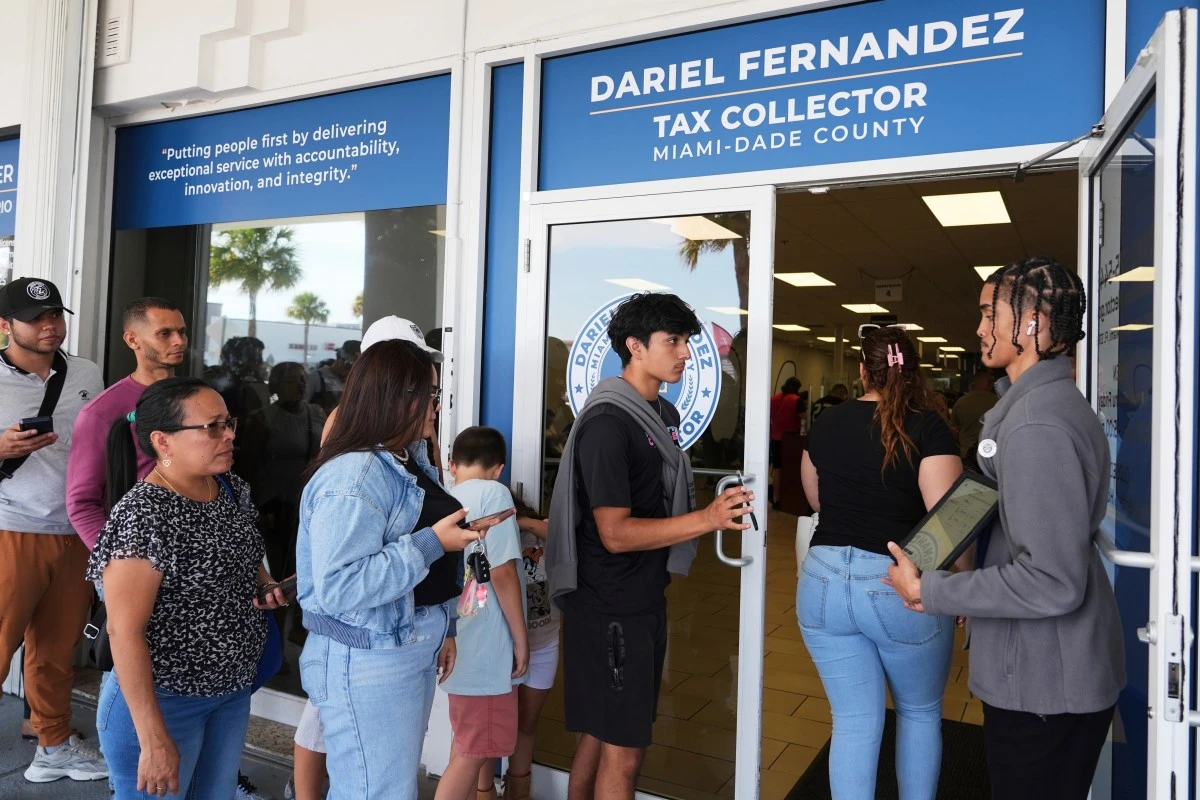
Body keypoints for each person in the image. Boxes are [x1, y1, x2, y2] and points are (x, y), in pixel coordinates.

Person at [886, 256, 1124, 800]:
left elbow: (1052, 580)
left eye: (989, 312)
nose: (979, 328)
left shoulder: (1037, 423)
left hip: (1046, 685)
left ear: (1034, 324)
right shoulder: (1033, 407)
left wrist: (932, 588)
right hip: (1046, 675)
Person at [545, 292, 753, 800]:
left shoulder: (657, 411)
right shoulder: (608, 423)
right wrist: (703, 519)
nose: (685, 353)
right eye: (673, 341)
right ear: (635, 347)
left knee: (602, 731)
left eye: (686, 341)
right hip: (610, 606)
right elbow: (615, 533)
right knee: (626, 749)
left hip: (637, 600)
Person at [296, 339, 483, 799]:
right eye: (431, 396)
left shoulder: (406, 458)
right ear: (395, 399)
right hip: (370, 656)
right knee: (376, 791)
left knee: (388, 786)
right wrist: (434, 542)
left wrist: (447, 627)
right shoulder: (355, 476)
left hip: (403, 646)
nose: (438, 407)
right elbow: (340, 585)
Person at [87, 377, 290, 798]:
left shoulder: (231, 488)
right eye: (212, 427)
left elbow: (246, 553)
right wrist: (152, 737)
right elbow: (125, 631)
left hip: (229, 691)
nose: (230, 434)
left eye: (228, 422)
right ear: (163, 441)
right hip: (163, 702)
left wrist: (267, 583)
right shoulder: (144, 515)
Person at [798, 326, 962, 799]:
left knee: (852, 722)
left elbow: (817, 500)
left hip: (822, 582)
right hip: (896, 585)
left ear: (861, 371)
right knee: (919, 711)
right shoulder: (929, 426)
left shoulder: (826, 422)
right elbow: (947, 522)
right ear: (912, 371)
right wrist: (960, 583)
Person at [0, 277, 108, 783]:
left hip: (74, 531)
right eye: (36, 318)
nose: (50, 326)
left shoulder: (85, 372)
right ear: (5, 325)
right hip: (10, 528)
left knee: (56, 651)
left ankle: (53, 747)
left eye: (56, 316)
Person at [437, 426, 529, 800]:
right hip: (486, 647)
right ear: (499, 468)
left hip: (456, 642)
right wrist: (521, 641)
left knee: (465, 745)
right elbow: (504, 574)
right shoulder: (496, 494)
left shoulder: (444, 497)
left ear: (451, 464)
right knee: (471, 754)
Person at [68, 297, 188, 550]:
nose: (179, 341)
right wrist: (114, 563)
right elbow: (82, 502)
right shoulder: (101, 411)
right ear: (132, 340)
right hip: (136, 555)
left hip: (197, 552)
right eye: (165, 333)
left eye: (181, 332)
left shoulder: (197, 399)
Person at [498, 488, 556, 800]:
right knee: (494, 729)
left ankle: (517, 792)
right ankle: (483, 792)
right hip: (504, 650)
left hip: (544, 644)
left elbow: (561, 534)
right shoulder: (490, 540)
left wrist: (523, 523)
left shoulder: (539, 532)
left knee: (526, 725)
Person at [951, 371, 998, 471]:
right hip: (990, 455)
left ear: (974, 384)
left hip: (965, 454)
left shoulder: (960, 402)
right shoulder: (998, 403)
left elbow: (953, 429)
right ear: (990, 384)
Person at [769, 377, 804, 506]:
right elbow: (804, 420)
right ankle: (790, 498)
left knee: (777, 469)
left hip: (775, 438)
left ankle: (777, 499)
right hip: (791, 440)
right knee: (791, 469)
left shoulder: (774, 399)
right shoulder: (796, 400)